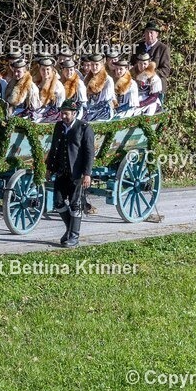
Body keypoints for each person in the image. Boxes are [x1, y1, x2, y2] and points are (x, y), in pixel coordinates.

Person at [47, 99, 95, 248]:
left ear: (74, 113)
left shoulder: (84, 128)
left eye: (66, 114)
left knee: (75, 205)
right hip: (62, 172)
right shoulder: (59, 126)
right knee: (58, 202)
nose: (63, 116)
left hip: (77, 173)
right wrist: (49, 168)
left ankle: (74, 237)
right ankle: (70, 229)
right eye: (62, 113)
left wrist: (87, 173)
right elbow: (54, 148)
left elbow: (89, 152)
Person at [132, 22, 171, 94]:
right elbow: (132, 63)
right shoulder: (137, 46)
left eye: (151, 33)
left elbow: (166, 70)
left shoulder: (163, 48)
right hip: (139, 86)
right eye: (147, 32)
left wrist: (149, 74)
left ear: (157, 34)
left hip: (156, 87)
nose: (149, 35)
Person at [83, 53, 115, 121]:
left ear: (101, 65)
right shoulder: (87, 79)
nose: (94, 67)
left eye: (96, 64)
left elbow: (105, 101)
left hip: (104, 110)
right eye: (92, 64)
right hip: (90, 109)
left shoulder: (108, 80)